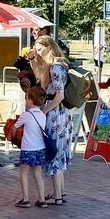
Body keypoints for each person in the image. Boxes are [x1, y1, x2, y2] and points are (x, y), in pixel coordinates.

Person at [30, 35, 72, 205]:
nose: (38, 53)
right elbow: (40, 79)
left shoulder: (55, 68)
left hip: (56, 115)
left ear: (48, 47)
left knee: (53, 152)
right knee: (59, 154)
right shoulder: (60, 65)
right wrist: (33, 60)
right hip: (63, 115)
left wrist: (45, 111)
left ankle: (58, 196)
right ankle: (60, 193)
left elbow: (59, 95)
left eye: (39, 49)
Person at [13, 86, 48, 209]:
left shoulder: (26, 115)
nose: (25, 100)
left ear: (30, 100)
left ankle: (26, 199)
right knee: (38, 173)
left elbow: (15, 127)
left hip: (28, 148)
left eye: (26, 97)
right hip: (40, 148)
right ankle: (42, 199)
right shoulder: (43, 115)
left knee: (23, 173)